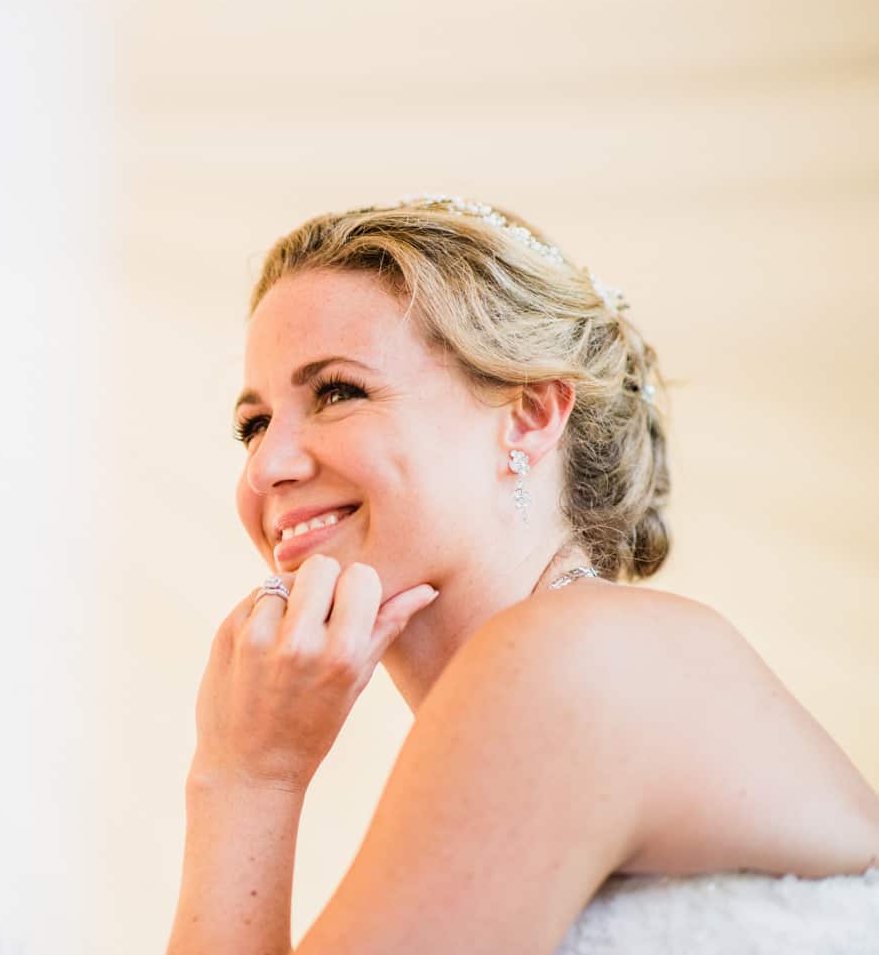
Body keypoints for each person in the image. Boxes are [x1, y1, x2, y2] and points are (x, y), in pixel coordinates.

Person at [165, 197, 879, 954]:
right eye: (255, 424)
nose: (267, 465)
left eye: (339, 392)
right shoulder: (575, 661)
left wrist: (247, 778)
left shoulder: (571, 658)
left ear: (532, 413)